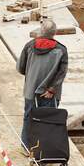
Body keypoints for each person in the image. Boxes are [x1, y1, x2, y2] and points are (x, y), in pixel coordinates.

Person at [16, 19, 68, 148]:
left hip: (30, 91)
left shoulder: (29, 46)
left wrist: (31, 75)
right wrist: (52, 89)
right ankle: (46, 147)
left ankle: (27, 146)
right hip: (50, 94)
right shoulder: (61, 50)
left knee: (28, 118)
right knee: (49, 120)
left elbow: (20, 68)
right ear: (54, 33)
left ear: (41, 31)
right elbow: (61, 73)